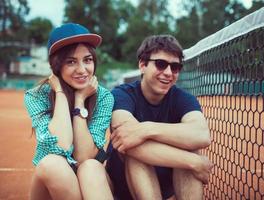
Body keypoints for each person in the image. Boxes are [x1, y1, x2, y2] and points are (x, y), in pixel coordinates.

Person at [106, 34, 213, 200]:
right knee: (133, 149)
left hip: (165, 188)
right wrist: (193, 161)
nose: (168, 73)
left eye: (175, 67)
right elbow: (126, 137)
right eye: (161, 64)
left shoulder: (183, 98)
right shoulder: (122, 94)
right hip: (124, 189)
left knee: (190, 145)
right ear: (142, 65)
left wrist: (146, 129)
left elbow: (202, 135)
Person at [24, 23, 114, 200]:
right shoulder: (36, 96)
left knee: (90, 168)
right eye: (71, 61)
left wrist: (80, 100)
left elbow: (83, 157)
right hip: (53, 184)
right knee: (51, 164)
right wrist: (60, 93)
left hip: (90, 182)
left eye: (87, 60)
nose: (82, 70)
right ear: (55, 65)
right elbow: (62, 146)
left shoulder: (104, 97)